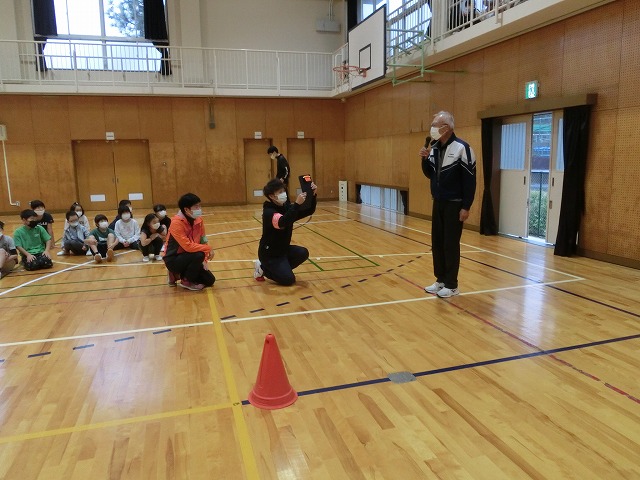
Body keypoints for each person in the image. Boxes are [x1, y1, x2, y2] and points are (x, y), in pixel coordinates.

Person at [419, 111, 476, 298]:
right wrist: (424, 159)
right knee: (437, 243)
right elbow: (430, 174)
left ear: (447, 128)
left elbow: (470, 181)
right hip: (438, 202)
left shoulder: (463, 148)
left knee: (450, 244)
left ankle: (452, 285)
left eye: (435, 124)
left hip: (455, 204)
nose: (432, 128)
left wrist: (466, 206)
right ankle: (441, 280)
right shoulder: (435, 148)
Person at [254, 178, 317, 286]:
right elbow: (282, 222)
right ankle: (263, 268)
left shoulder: (286, 207)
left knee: (303, 253)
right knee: (288, 280)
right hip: (270, 255)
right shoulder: (269, 212)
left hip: (283, 250)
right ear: (272, 196)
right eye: (280, 192)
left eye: (283, 191)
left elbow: (308, 210)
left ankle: (280, 269)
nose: (283, 193)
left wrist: (313, 195)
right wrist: (296, 205)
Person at [163, 193, 215, 291]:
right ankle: (185, 281)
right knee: (199, 255)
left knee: (209, 280)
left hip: (191, 256)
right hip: (174, 259)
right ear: (186, 209)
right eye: (196, 206)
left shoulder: (199, 220)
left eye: (199, 206)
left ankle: (176, 275)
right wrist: (208, 249)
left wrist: (204, 260)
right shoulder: (176, 223)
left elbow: (203, 239)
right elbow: (188, 246)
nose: (199, 209)